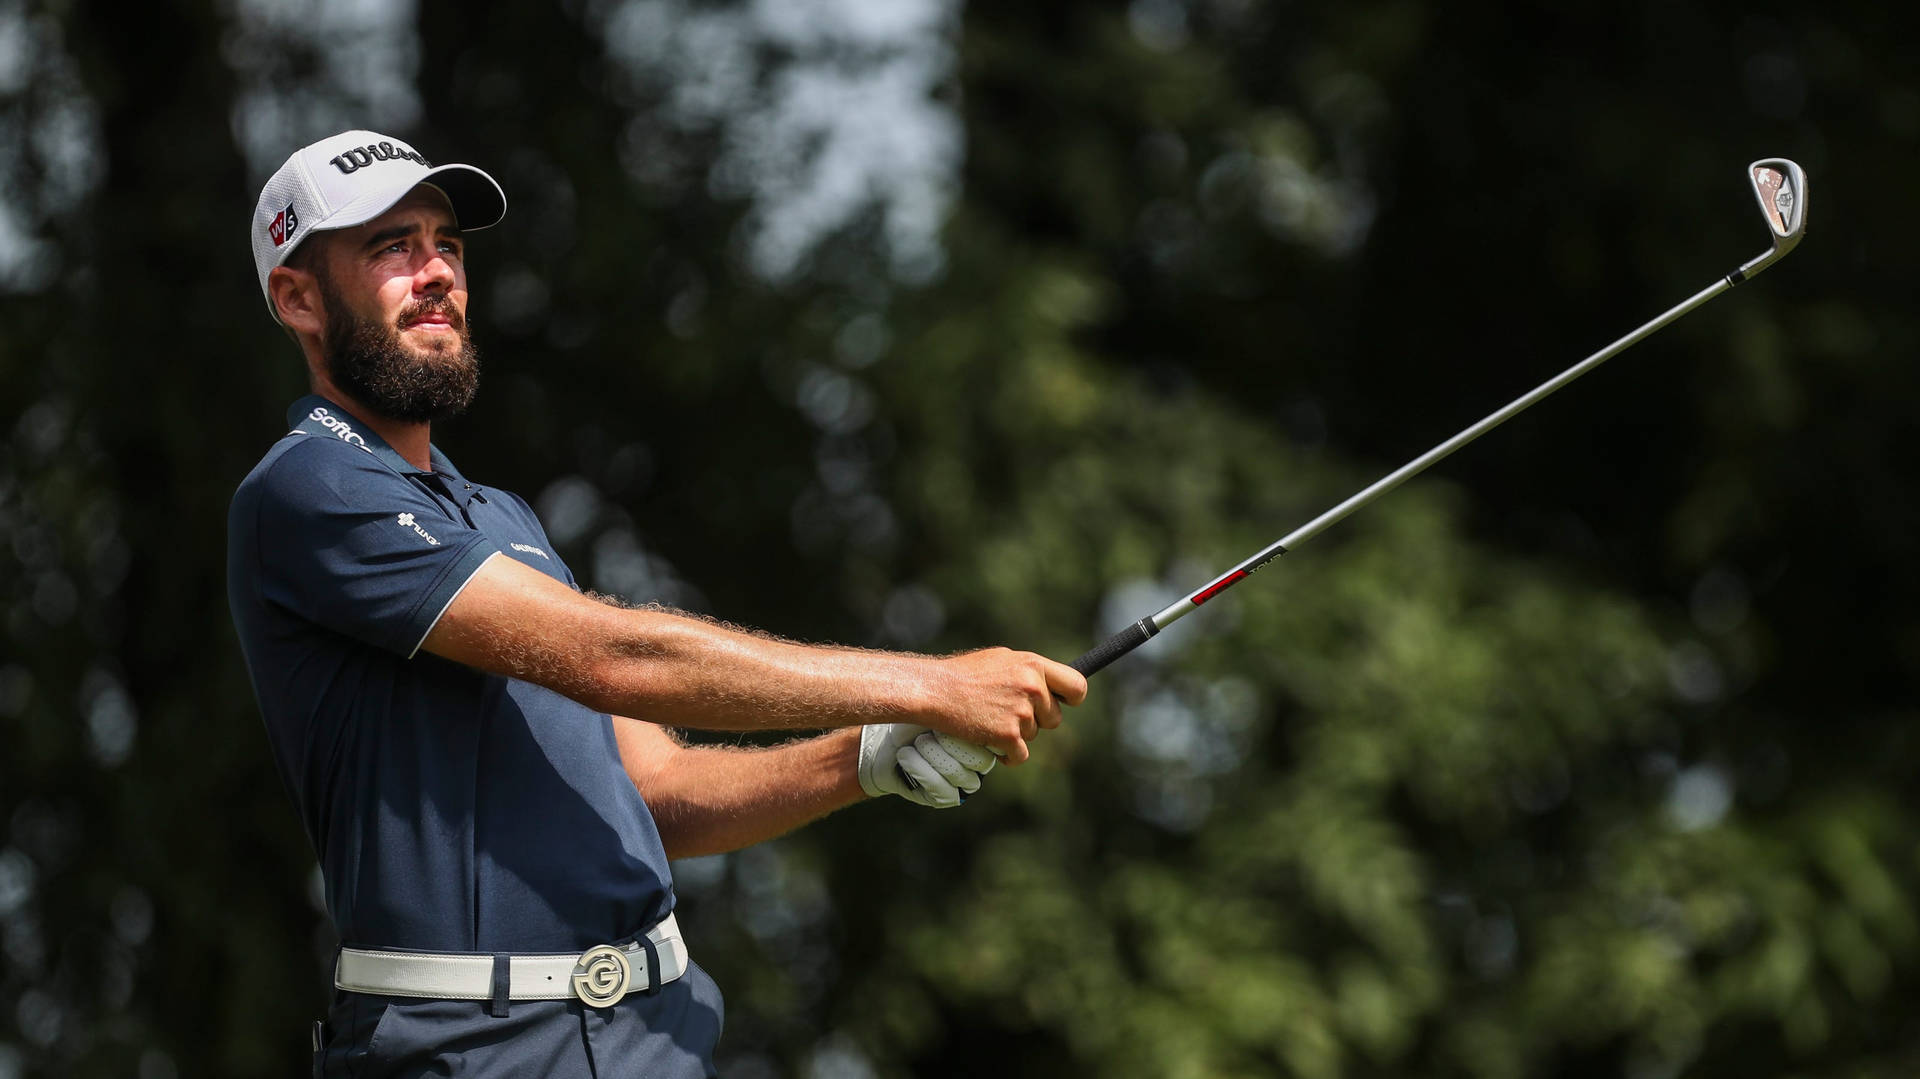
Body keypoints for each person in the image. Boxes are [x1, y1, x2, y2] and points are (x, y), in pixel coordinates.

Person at [226, 130, 1088, 1078]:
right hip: (470, 1054)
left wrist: (865, 757)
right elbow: (617, 658)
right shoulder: (308, 488)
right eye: (391, 247)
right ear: (298, 298)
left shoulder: (496, 515)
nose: (437, 273)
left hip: (653, 1038)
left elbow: (655, 795)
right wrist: (928, 687)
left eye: (448, 244)